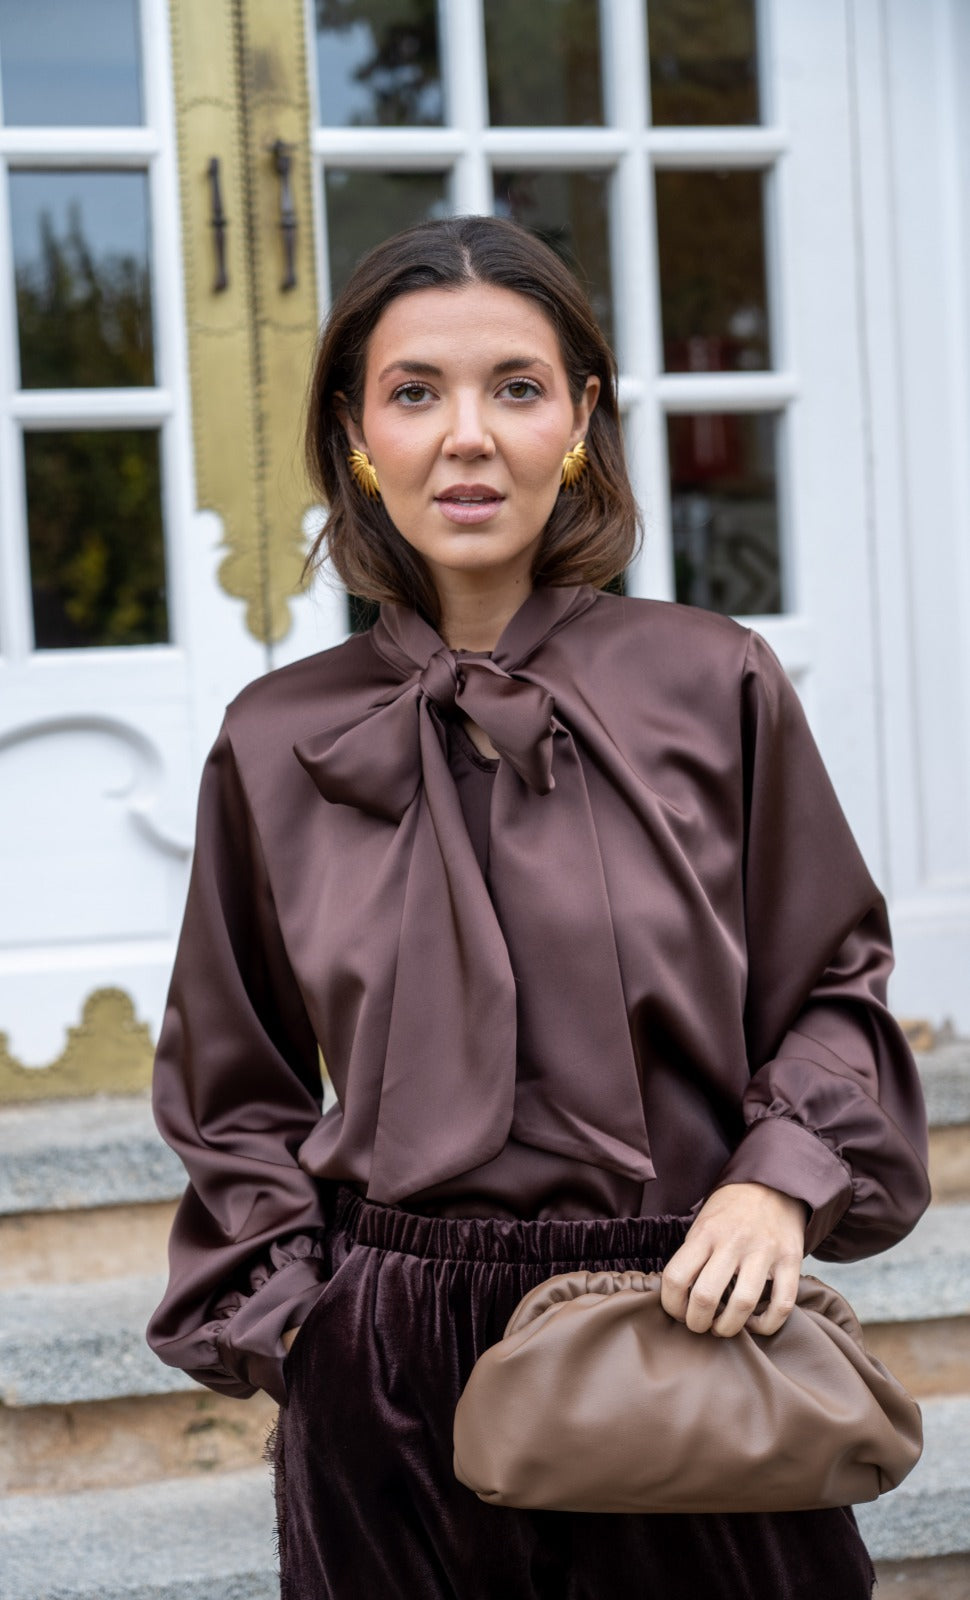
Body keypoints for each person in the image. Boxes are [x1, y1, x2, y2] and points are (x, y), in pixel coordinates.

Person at [147, 215, 930, 1599]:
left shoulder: (716, 683)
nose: (467, 437)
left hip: (682, 1320)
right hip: (383, 1366)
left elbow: (830, 984)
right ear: (355, 435)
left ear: (578, 421)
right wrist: (307, 1332)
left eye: (515, 387)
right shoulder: (272, 739)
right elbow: (232, 1083)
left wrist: (775, 1184)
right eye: (414, 393)